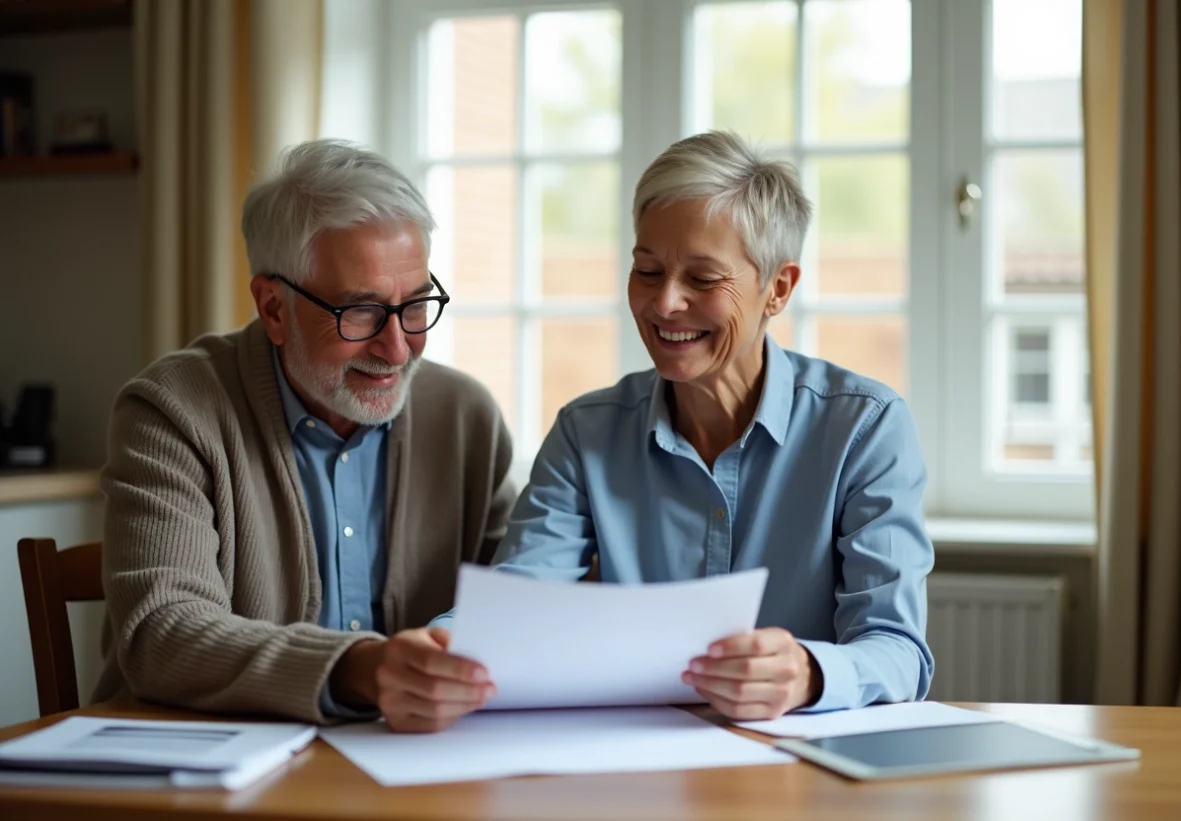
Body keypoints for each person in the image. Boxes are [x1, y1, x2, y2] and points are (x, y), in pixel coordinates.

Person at [412, 130, 935, 730]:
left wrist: (808, 673)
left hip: (798, 767)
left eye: (703, 280)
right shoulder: (587, 434)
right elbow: (517, 607)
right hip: (631, 762)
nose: (664, 304)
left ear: (778, 289)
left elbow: (897, 651)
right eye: (647, 270)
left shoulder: (865, 428)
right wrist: (436, 649)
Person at [92, 139, 517, 729]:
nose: (397, 348)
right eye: (360, 312)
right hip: (201, 771)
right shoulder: (172, 411)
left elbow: (521, 595)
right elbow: (161, 633)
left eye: (416, 304)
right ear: (273, 307)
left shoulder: (466, 416)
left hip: (404, 765)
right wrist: (361, 668)